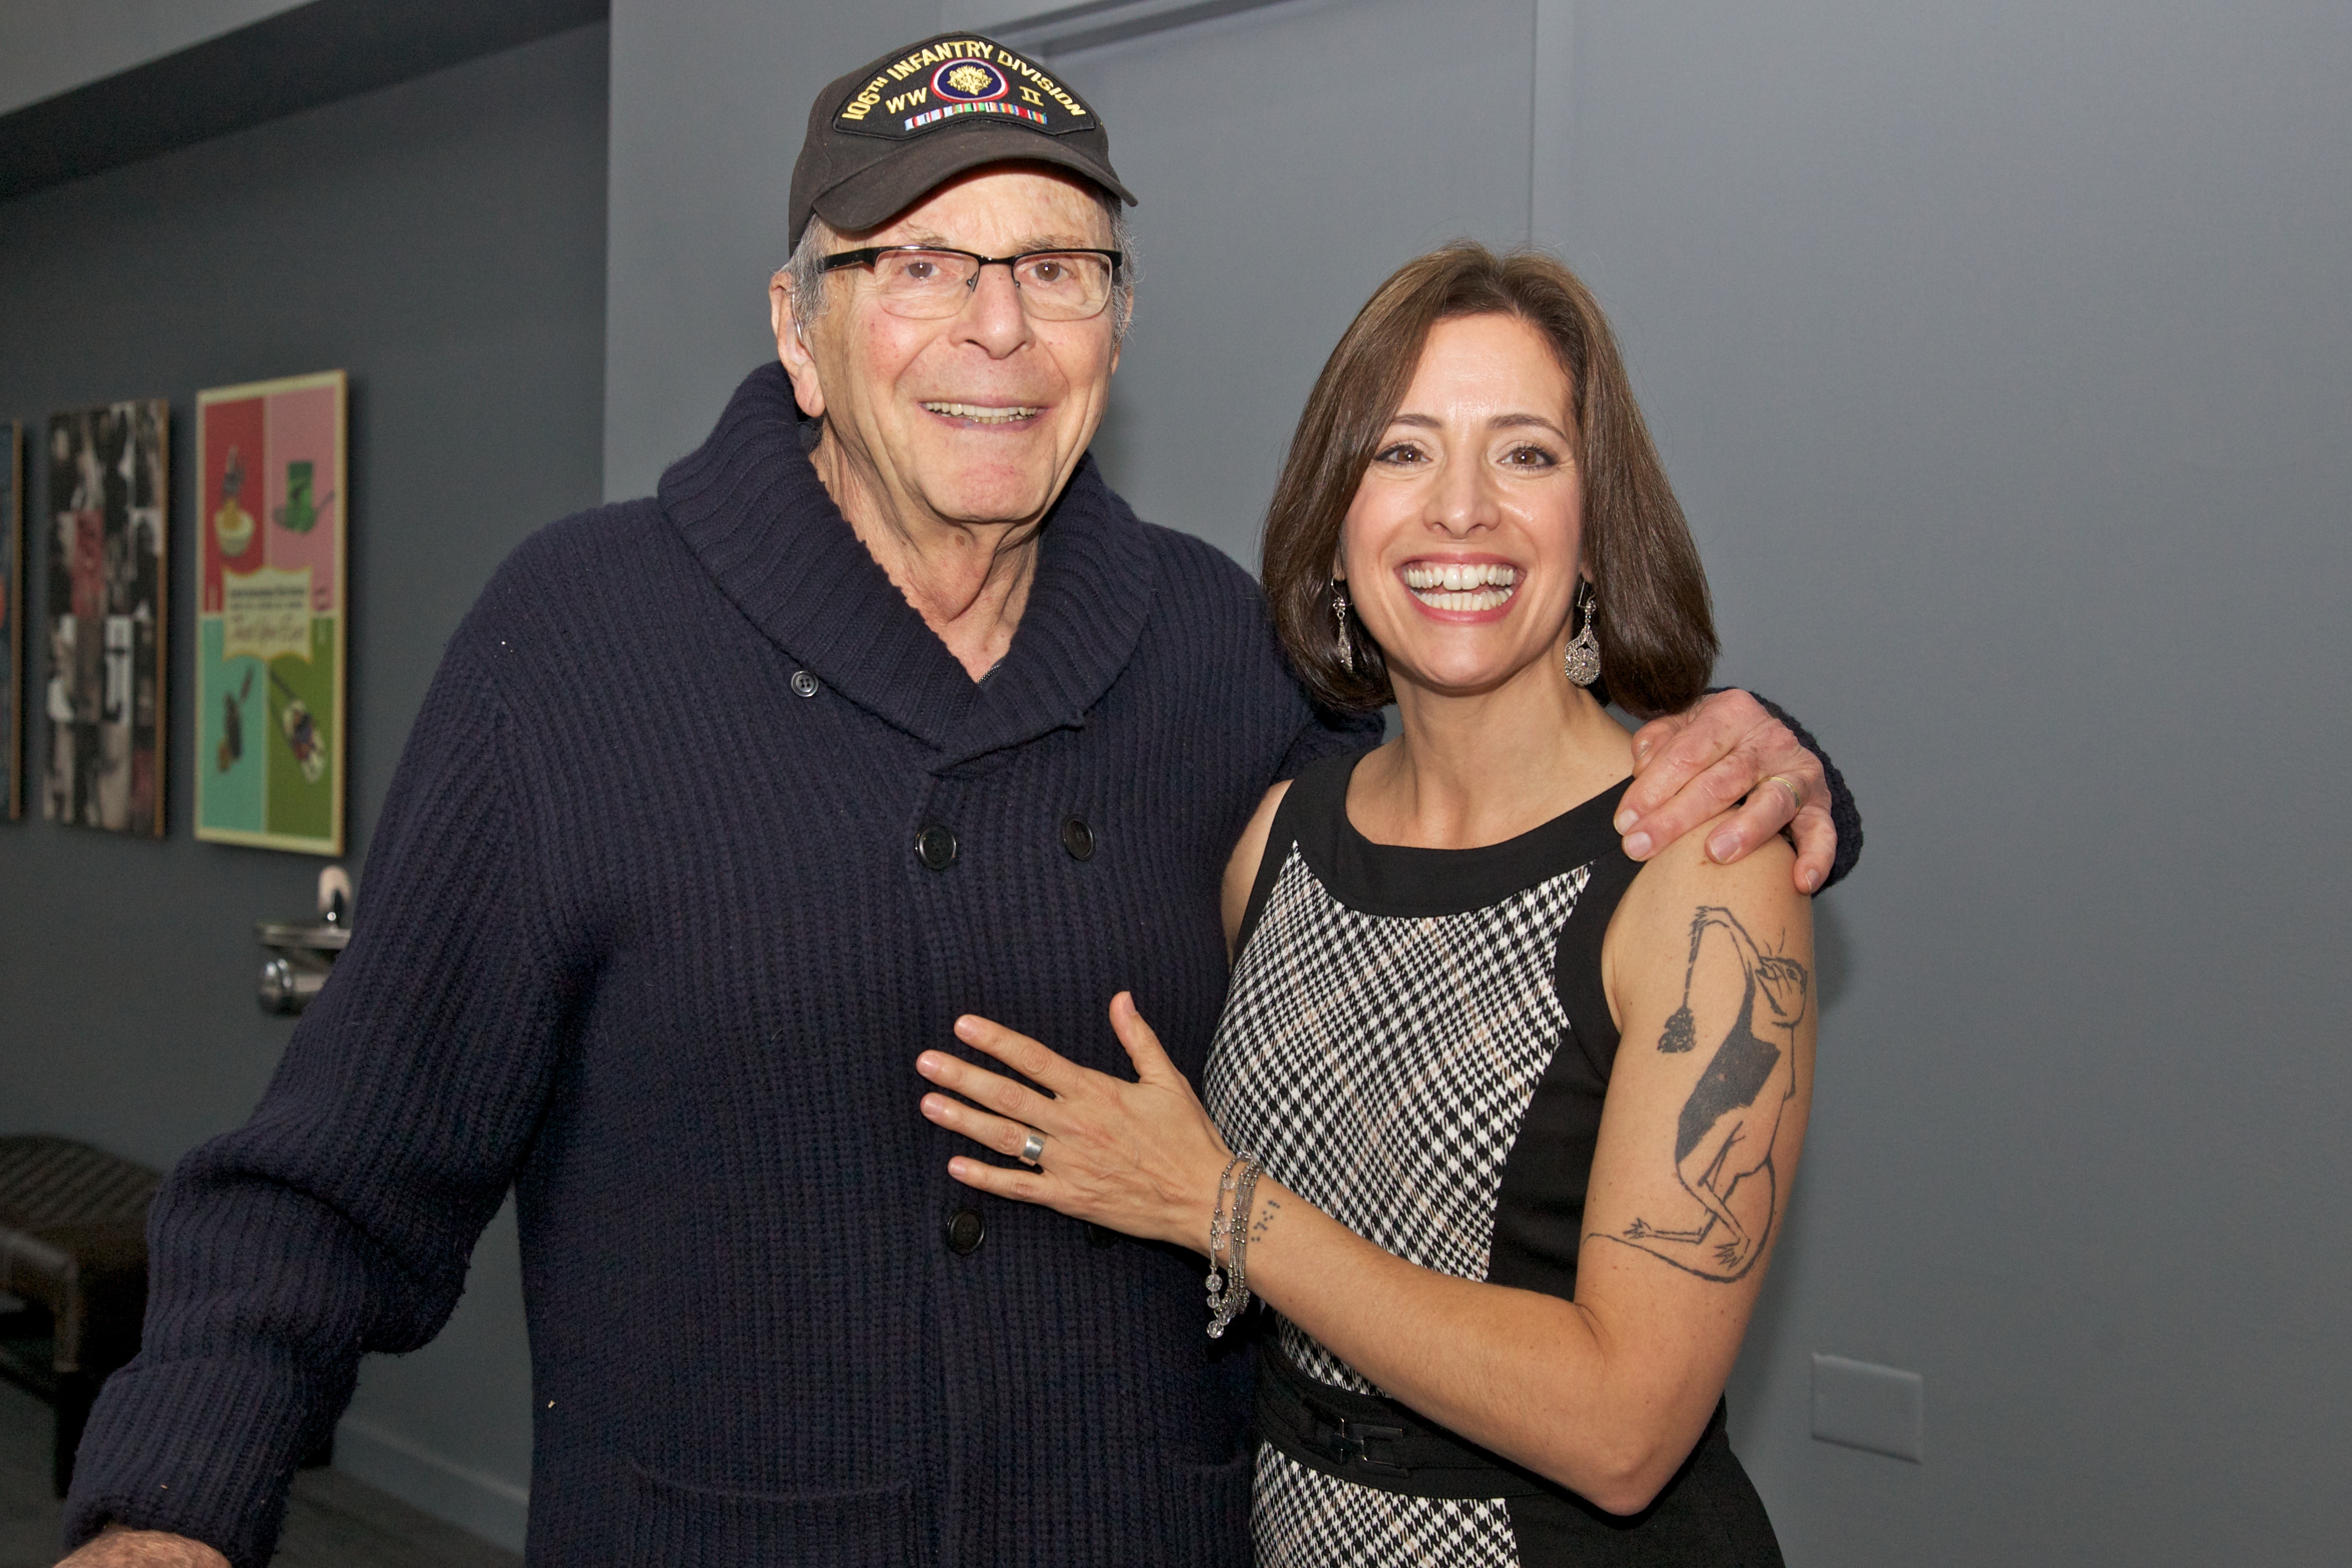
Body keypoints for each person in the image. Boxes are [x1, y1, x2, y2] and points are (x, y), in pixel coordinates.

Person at [59, 34, 1854, 1568]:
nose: (996, 327)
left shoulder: (1210, 651)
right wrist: (167, 1508)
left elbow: (1468, 799)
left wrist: (1755, 760)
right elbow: (338, 1176)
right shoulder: (575, 644)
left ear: (1116, 327)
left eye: (1059, 267)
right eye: (915, 264)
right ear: (799, 325)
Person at [917, 244, 1810, 1564]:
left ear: (1593, 525)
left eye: (1524, 455)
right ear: (1334, 523)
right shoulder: (1280, 835)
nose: (1460, 510)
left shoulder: (1701, 864)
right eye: (1400, 453)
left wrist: (1219, 1204)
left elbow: (1628, 1430)